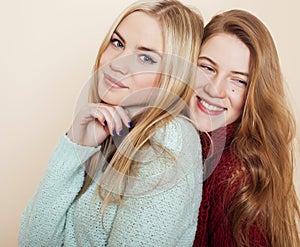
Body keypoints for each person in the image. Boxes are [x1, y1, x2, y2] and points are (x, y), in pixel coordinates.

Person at [19, 0, 204, 246]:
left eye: (146, 58)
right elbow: (33, 240)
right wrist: (74, 145)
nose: (117, 63)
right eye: (117, 43)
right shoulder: (116, 129)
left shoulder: (170, 139)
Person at [189, 9, 300, 247]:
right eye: (207, 67)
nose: (214, 90)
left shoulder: (232, 179)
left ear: (254, 95)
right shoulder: (187, 147)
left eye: (239, 80)